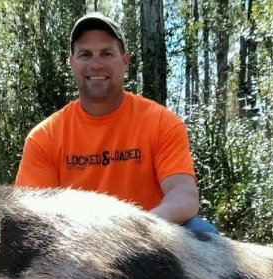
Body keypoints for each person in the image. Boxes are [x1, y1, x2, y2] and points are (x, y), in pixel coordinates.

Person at [14, 12, 218, 235]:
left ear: (125, 61)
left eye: (106, 53)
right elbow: (31, 218)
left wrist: (130, 232)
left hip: (150, 239)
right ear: (71, 62)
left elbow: (184, 197)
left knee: (202, 233)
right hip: (76, 245)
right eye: (85, 54)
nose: (96, 64)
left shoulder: (162, 123)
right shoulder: (45, 137)